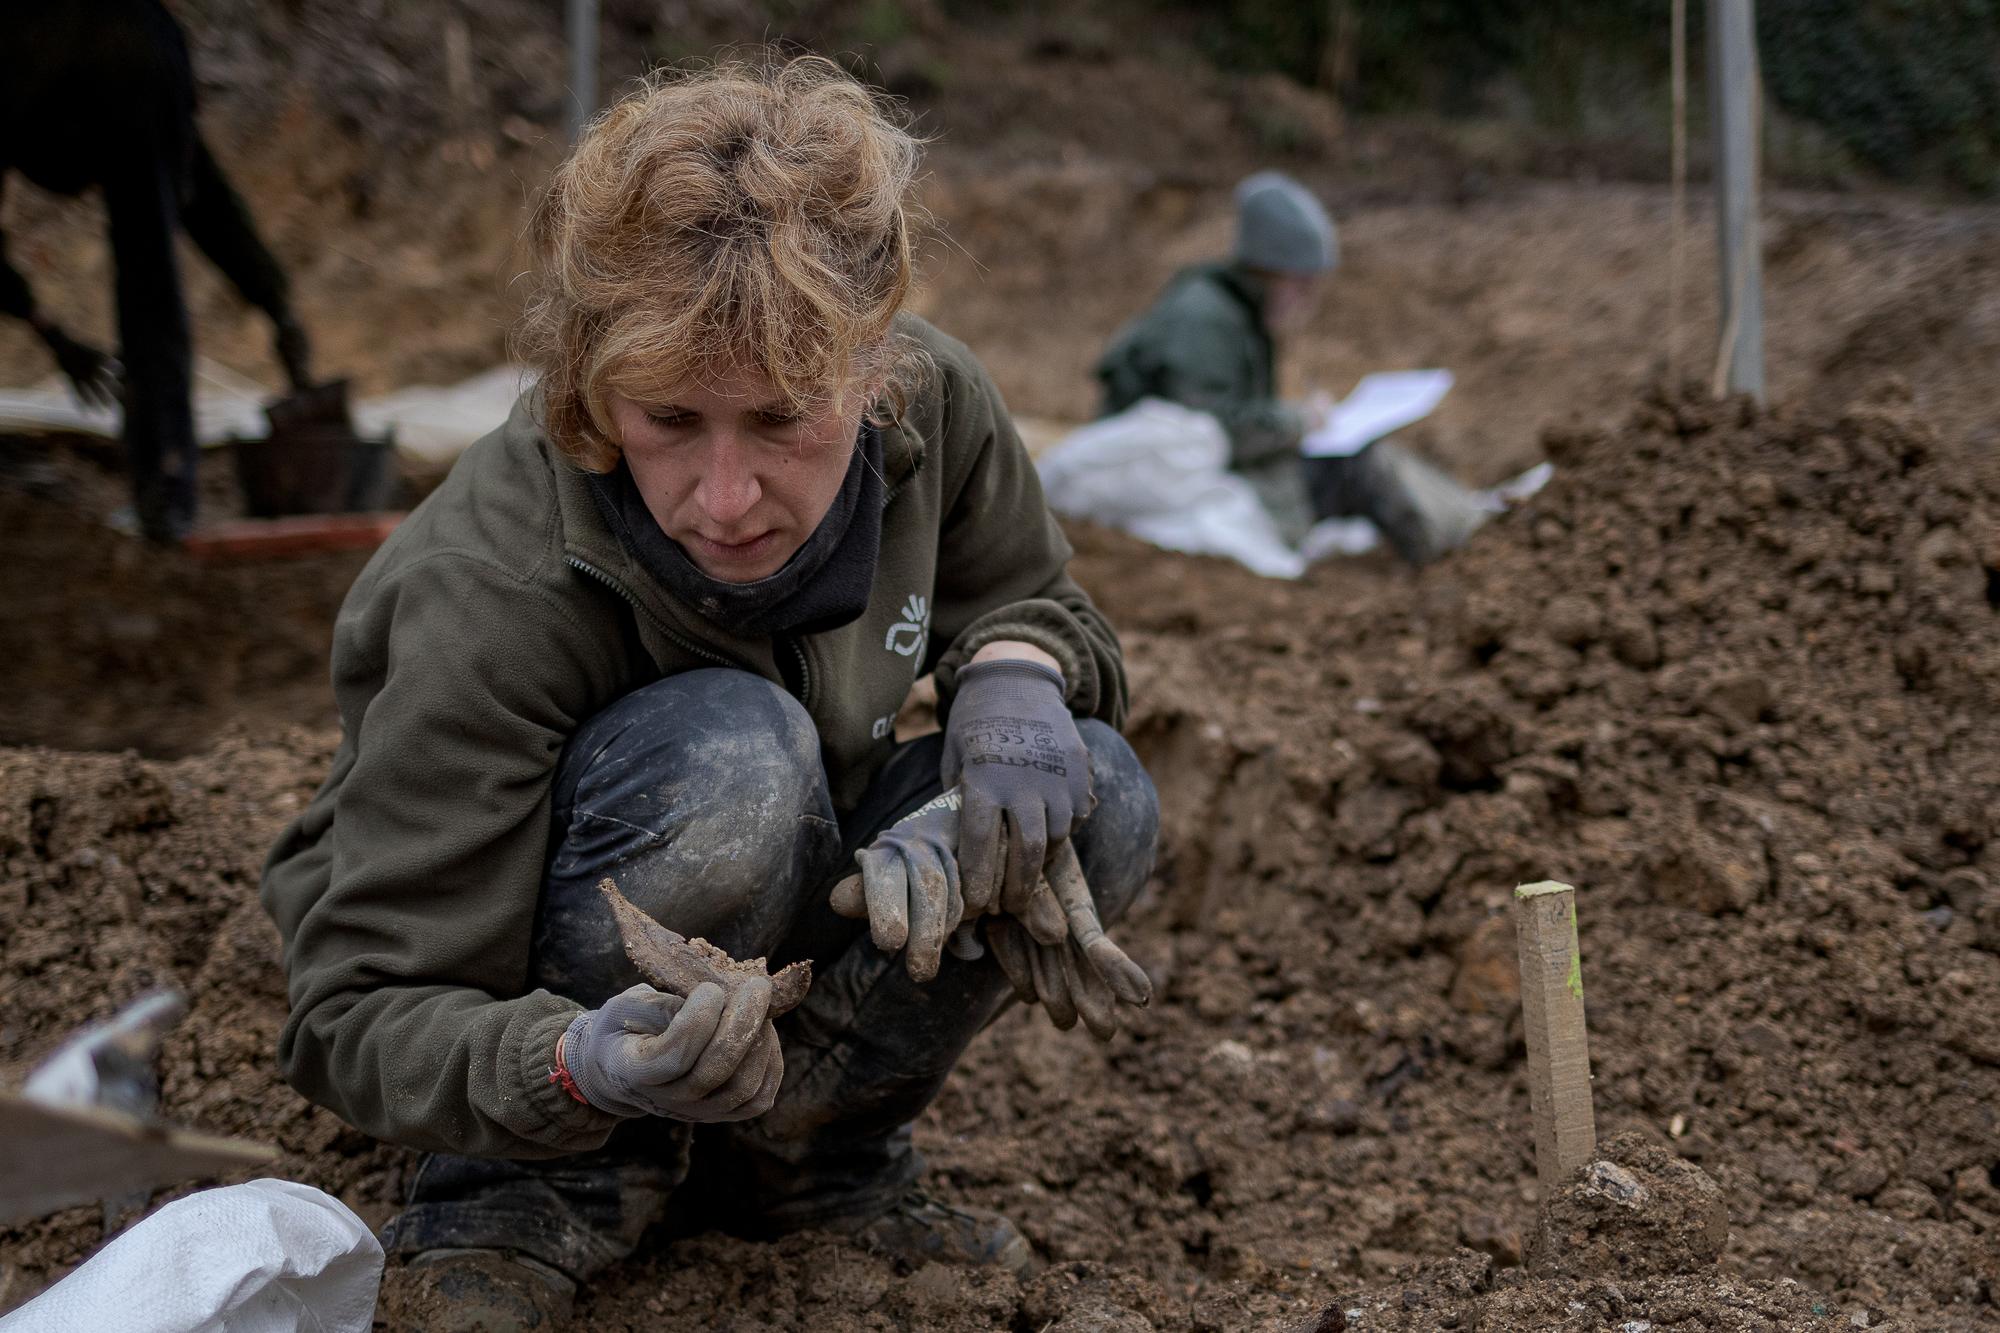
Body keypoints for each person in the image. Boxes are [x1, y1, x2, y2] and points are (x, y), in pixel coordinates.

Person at [259, 58, 1159, 1332]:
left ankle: (803, 1157)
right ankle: (535, 1188)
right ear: (590, 384)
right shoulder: (496, 583)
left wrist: (1008, 693)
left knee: (1093, 790)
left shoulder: (934, 410)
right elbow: (354, 1013)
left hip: (793, 880)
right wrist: (575, 1065)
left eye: (784, 418)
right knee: (736, 755)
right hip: (534, 977)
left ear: (874, 369)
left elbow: (1040, 606)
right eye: (669, 419)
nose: (724, 498)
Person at [0, 0, 313, 543]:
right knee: (152, 279)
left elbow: (202, 195)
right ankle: (166, 490)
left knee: (149, 281)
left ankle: (166, 494)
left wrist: (274, 301)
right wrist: (47, 329)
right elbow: (198, 190)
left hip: (112, 54)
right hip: (139, 45)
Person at [1095, 171, 1453, 564]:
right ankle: (1454, 548)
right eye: (1301, 285)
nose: (1306, 301)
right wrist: (1298, 421)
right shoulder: (1204, 319)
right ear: (1269, 271)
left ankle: (1461, 521)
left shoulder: (1231, 310)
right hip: (1177, 478)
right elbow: (1205, 428)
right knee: (1359, 463)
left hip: (1220, 469)